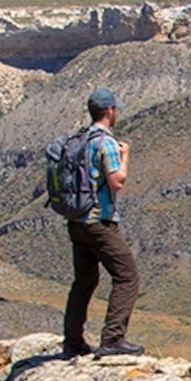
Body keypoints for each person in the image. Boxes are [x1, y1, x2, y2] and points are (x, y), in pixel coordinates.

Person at [61, 90, 141, 357]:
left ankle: (72, 344)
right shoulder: (105, 142)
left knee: (84, 281)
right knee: (127, 276)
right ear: (109, 111)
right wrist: (126, 155)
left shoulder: (80, 138)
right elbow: (117, 181)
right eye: (116, 109)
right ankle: (112, 339)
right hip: (99, 221)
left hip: (77, 221)